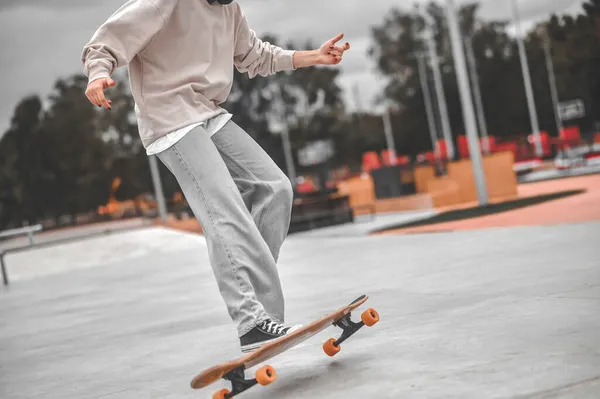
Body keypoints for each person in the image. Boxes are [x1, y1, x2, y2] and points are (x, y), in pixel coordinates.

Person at [81, 0, 350, 353]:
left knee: (275, 188)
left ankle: (261, 312)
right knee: (225, 211)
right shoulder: (165, 2)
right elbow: (107, 39)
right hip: (170, 120)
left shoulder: (229, 9)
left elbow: (255, 56)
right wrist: (98, 72)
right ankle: (251, 320)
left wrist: (313, 57)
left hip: (207, 112)